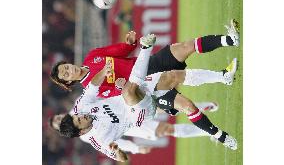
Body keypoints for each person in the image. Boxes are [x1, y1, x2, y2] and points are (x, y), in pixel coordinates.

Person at [57, 35, 237, 161]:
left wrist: (104, 71)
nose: (82, 116)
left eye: (78, 116)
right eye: (81, 121)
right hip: (140, 114)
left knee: (175, 78)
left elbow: (93, 86)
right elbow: (122, 158)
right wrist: (117, 151)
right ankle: (146, 48)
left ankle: (223, 86)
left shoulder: (82, 106)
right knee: (128, 91)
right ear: (81, 132)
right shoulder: (99, 140)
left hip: (139, 89)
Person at [50, 19, 239, 115]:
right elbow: (119, 96)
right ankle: (223, 78)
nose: (69, 70)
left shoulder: (92, 57)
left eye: (66, 67)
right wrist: (119, 85)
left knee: (183, 47)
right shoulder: (91, 89)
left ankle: (230, 40)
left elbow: (120, 50)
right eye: (65, 74)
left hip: (146, 64)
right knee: (183, 98)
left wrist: (130, 43)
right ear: (68, 81)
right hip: (144, 86)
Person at [50, 102, 218, 155]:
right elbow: (112, 143)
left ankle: (202, 107)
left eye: (58, 117)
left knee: (165, 107)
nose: (60, 119)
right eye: (59, 123)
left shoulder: (79, 107)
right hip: (131, 126)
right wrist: (135, 148)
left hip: (126, 106)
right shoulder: (84, 135)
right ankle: (207, 131)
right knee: (166, 129)